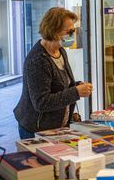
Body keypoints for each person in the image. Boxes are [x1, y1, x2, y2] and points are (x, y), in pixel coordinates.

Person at [14, 7, 92, 139]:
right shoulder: (38, 60)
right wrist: (76, 92)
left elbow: (59, 86)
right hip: (36, 130)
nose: (73, 35)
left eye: (74, 30)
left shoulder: (60, 51)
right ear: (53, 31)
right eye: (69, 31)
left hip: (57, 127)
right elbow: (41, 102)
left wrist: (77, 86)